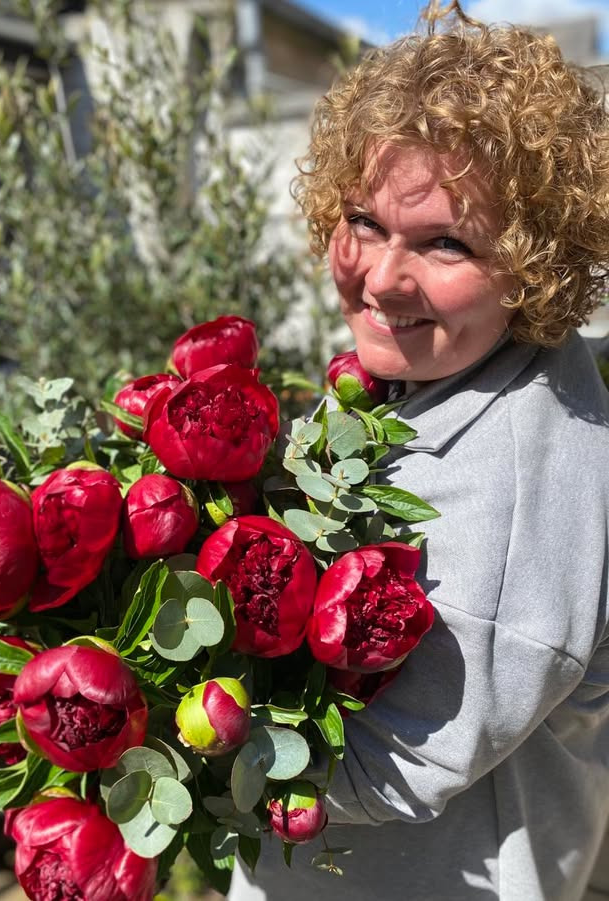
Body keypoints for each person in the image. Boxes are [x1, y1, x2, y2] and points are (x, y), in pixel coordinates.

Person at [229, 2, 609, 900]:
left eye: (446, 242)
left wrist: (144, 701)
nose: (384, 276)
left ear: (534, 264)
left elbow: (390, 759)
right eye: (363, 220)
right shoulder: (448, 375)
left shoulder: (517, 472)